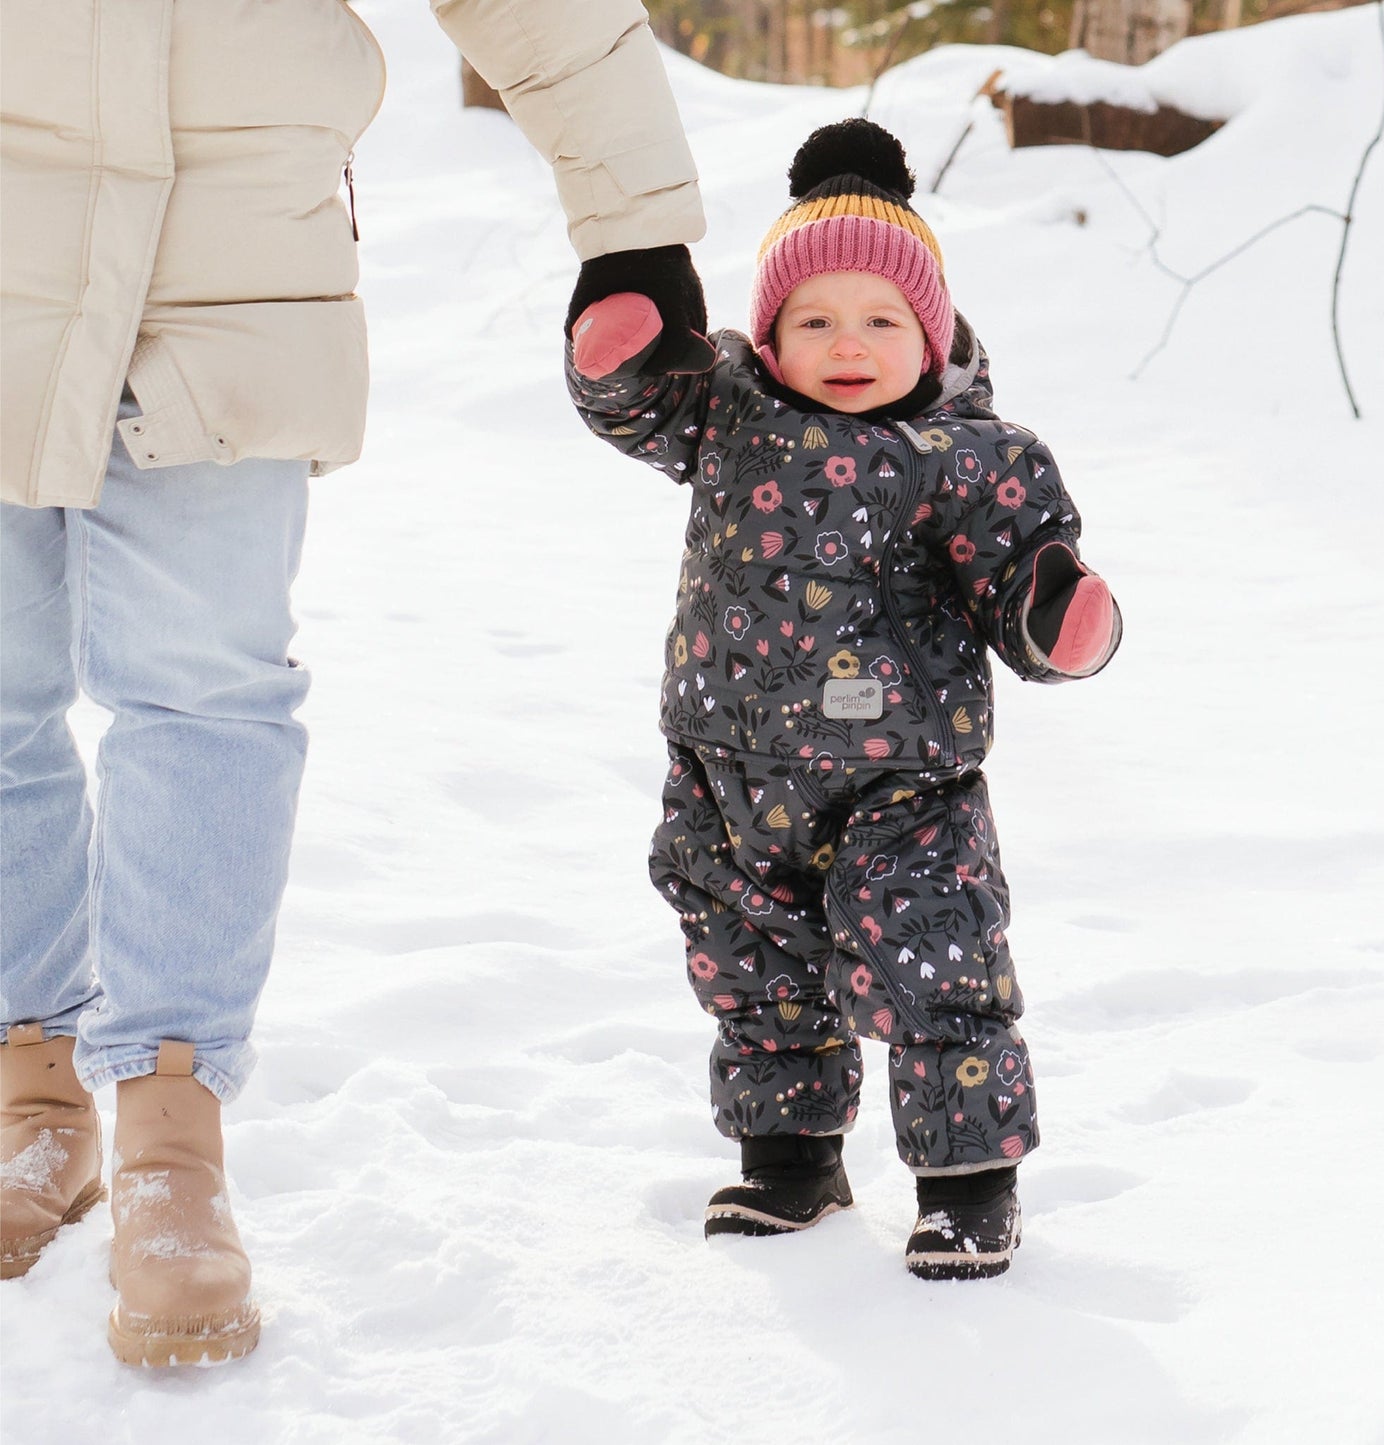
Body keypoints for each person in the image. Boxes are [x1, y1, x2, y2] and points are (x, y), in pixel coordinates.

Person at [0, 0, 704, 1365]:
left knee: (203, 695)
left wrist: (632, 222)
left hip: (226, 276)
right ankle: (27, 1090)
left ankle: (168, 1139)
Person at [566, 119, 1121, 1279]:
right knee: (749, 964)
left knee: (931, 962)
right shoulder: (729, 410)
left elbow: (1021, 562)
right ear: (767, 335)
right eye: (813, 320)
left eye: (881, 319)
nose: (848, 343)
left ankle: (967, 1181)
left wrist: (1051, 611)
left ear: (929, 331)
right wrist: (617, 355)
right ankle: (789, 1157)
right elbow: (640, 403)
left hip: (900, 778)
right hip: (728, 767)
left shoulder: (962, 453)